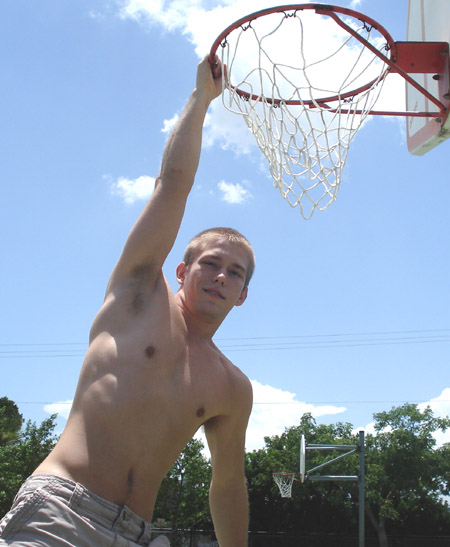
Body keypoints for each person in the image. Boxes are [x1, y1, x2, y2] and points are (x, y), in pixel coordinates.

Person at [0, 56, 254, 547]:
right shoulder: (139, 296)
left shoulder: (232, 387)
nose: (221, 276)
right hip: (62, 510)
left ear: (242, 295)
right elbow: (172, 184)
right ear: (181, 272)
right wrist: (201, 99)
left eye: (235, 272)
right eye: (210, 263)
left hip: (139, 534)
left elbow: (228, 484)